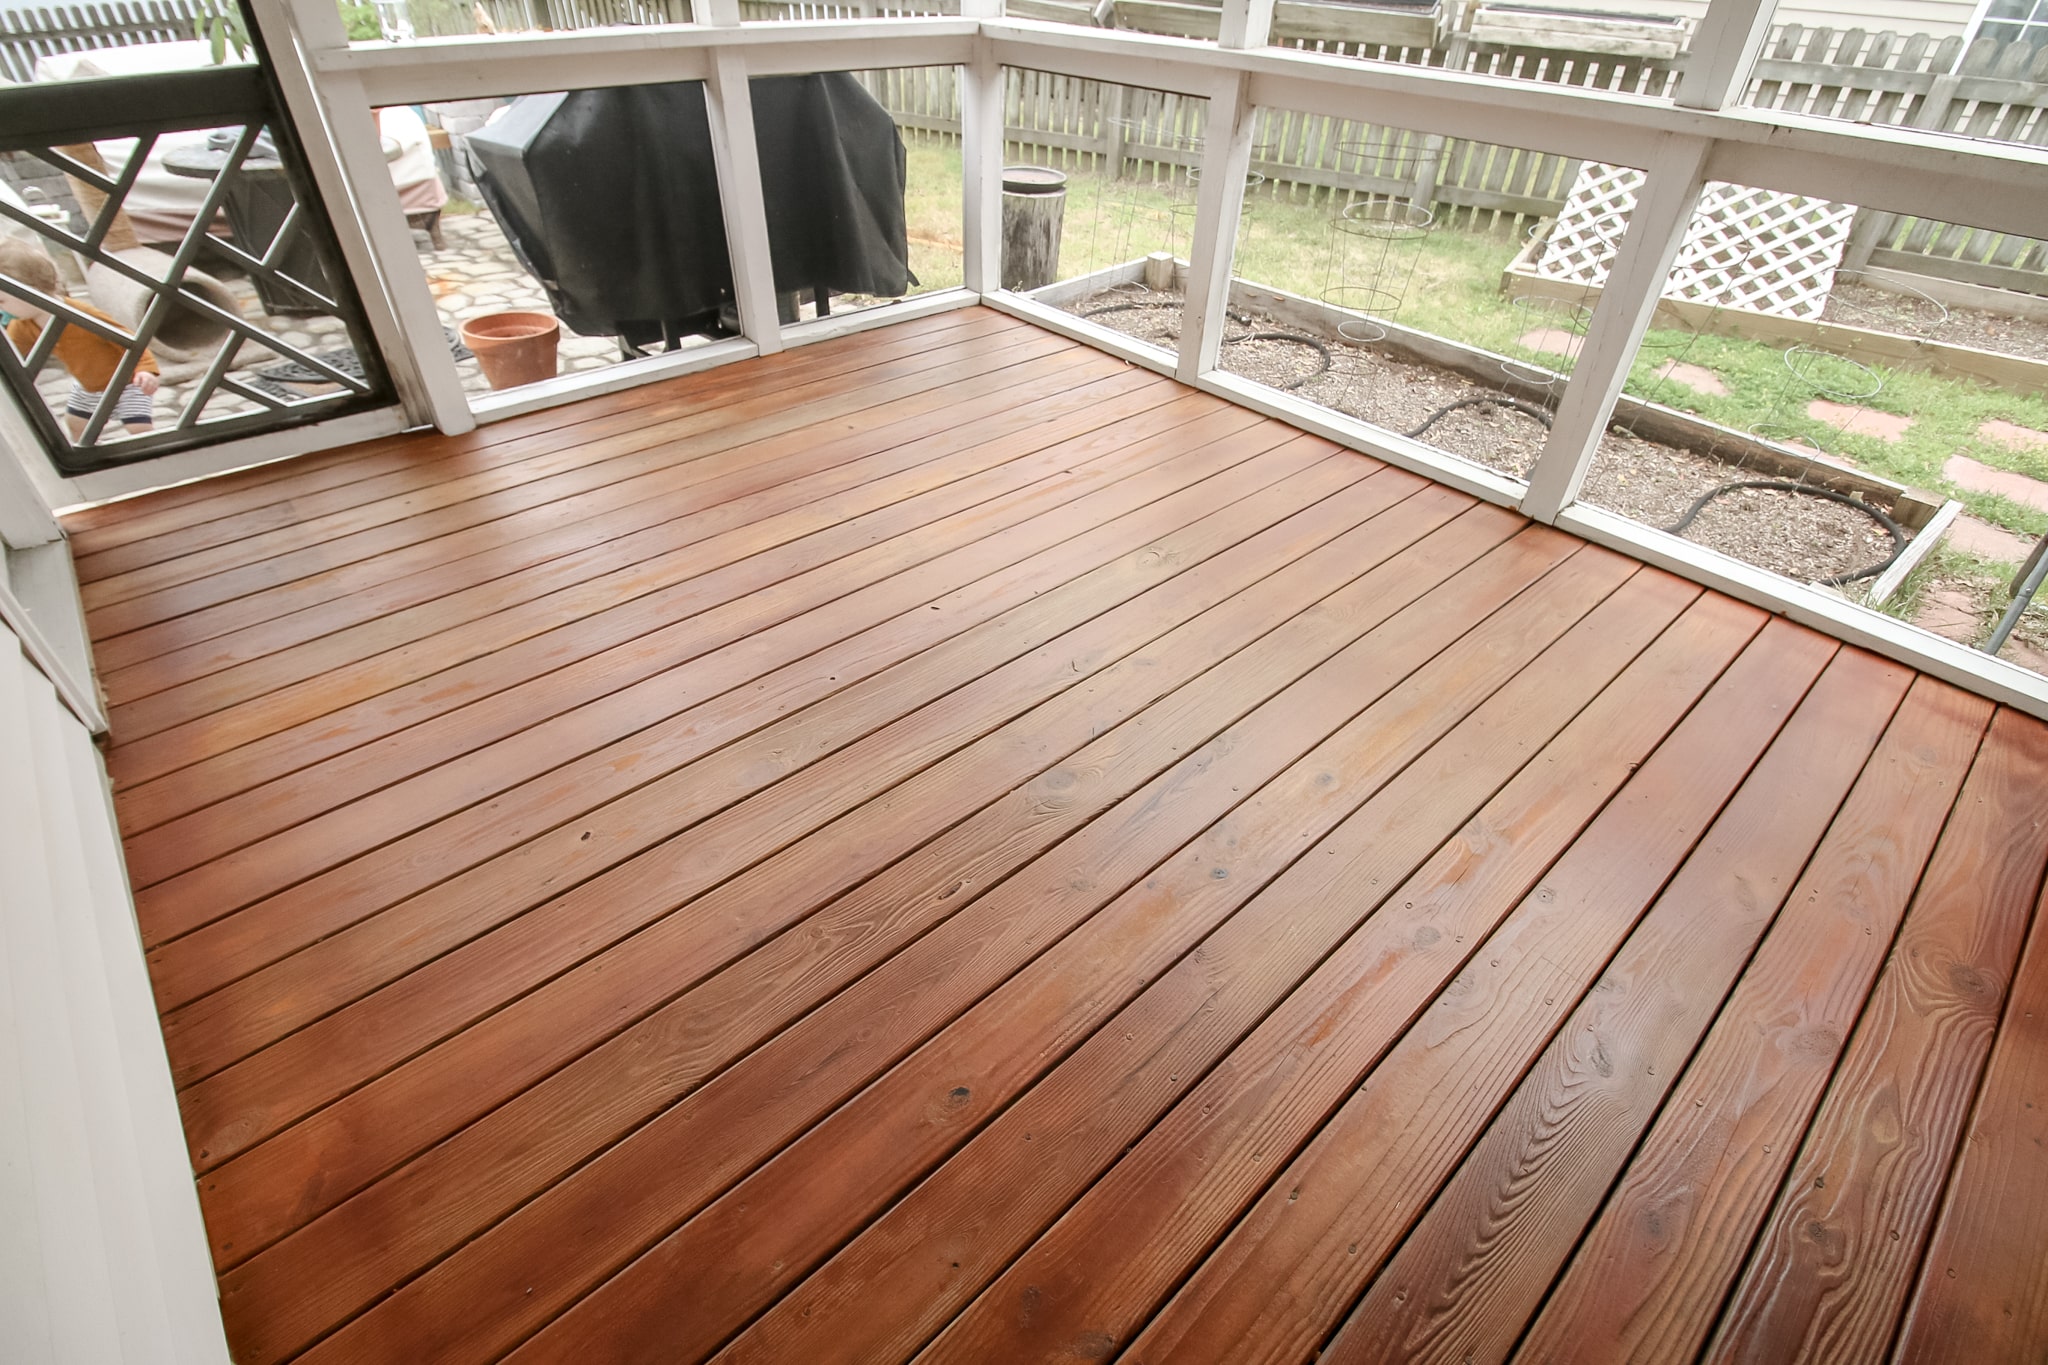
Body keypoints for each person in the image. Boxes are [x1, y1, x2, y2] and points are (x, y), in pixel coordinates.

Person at [0, 236, 159, 438]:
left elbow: (129, 341)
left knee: (138, 428)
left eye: (2, 301)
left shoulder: (80, 314)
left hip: (127, 381)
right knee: (75, 424)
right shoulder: (21, 325)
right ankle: (94, 460)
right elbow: (13, 356)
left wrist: (146, 371)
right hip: (89, 385)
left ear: (29, 291)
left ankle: (158, 457)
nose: (0, 307)